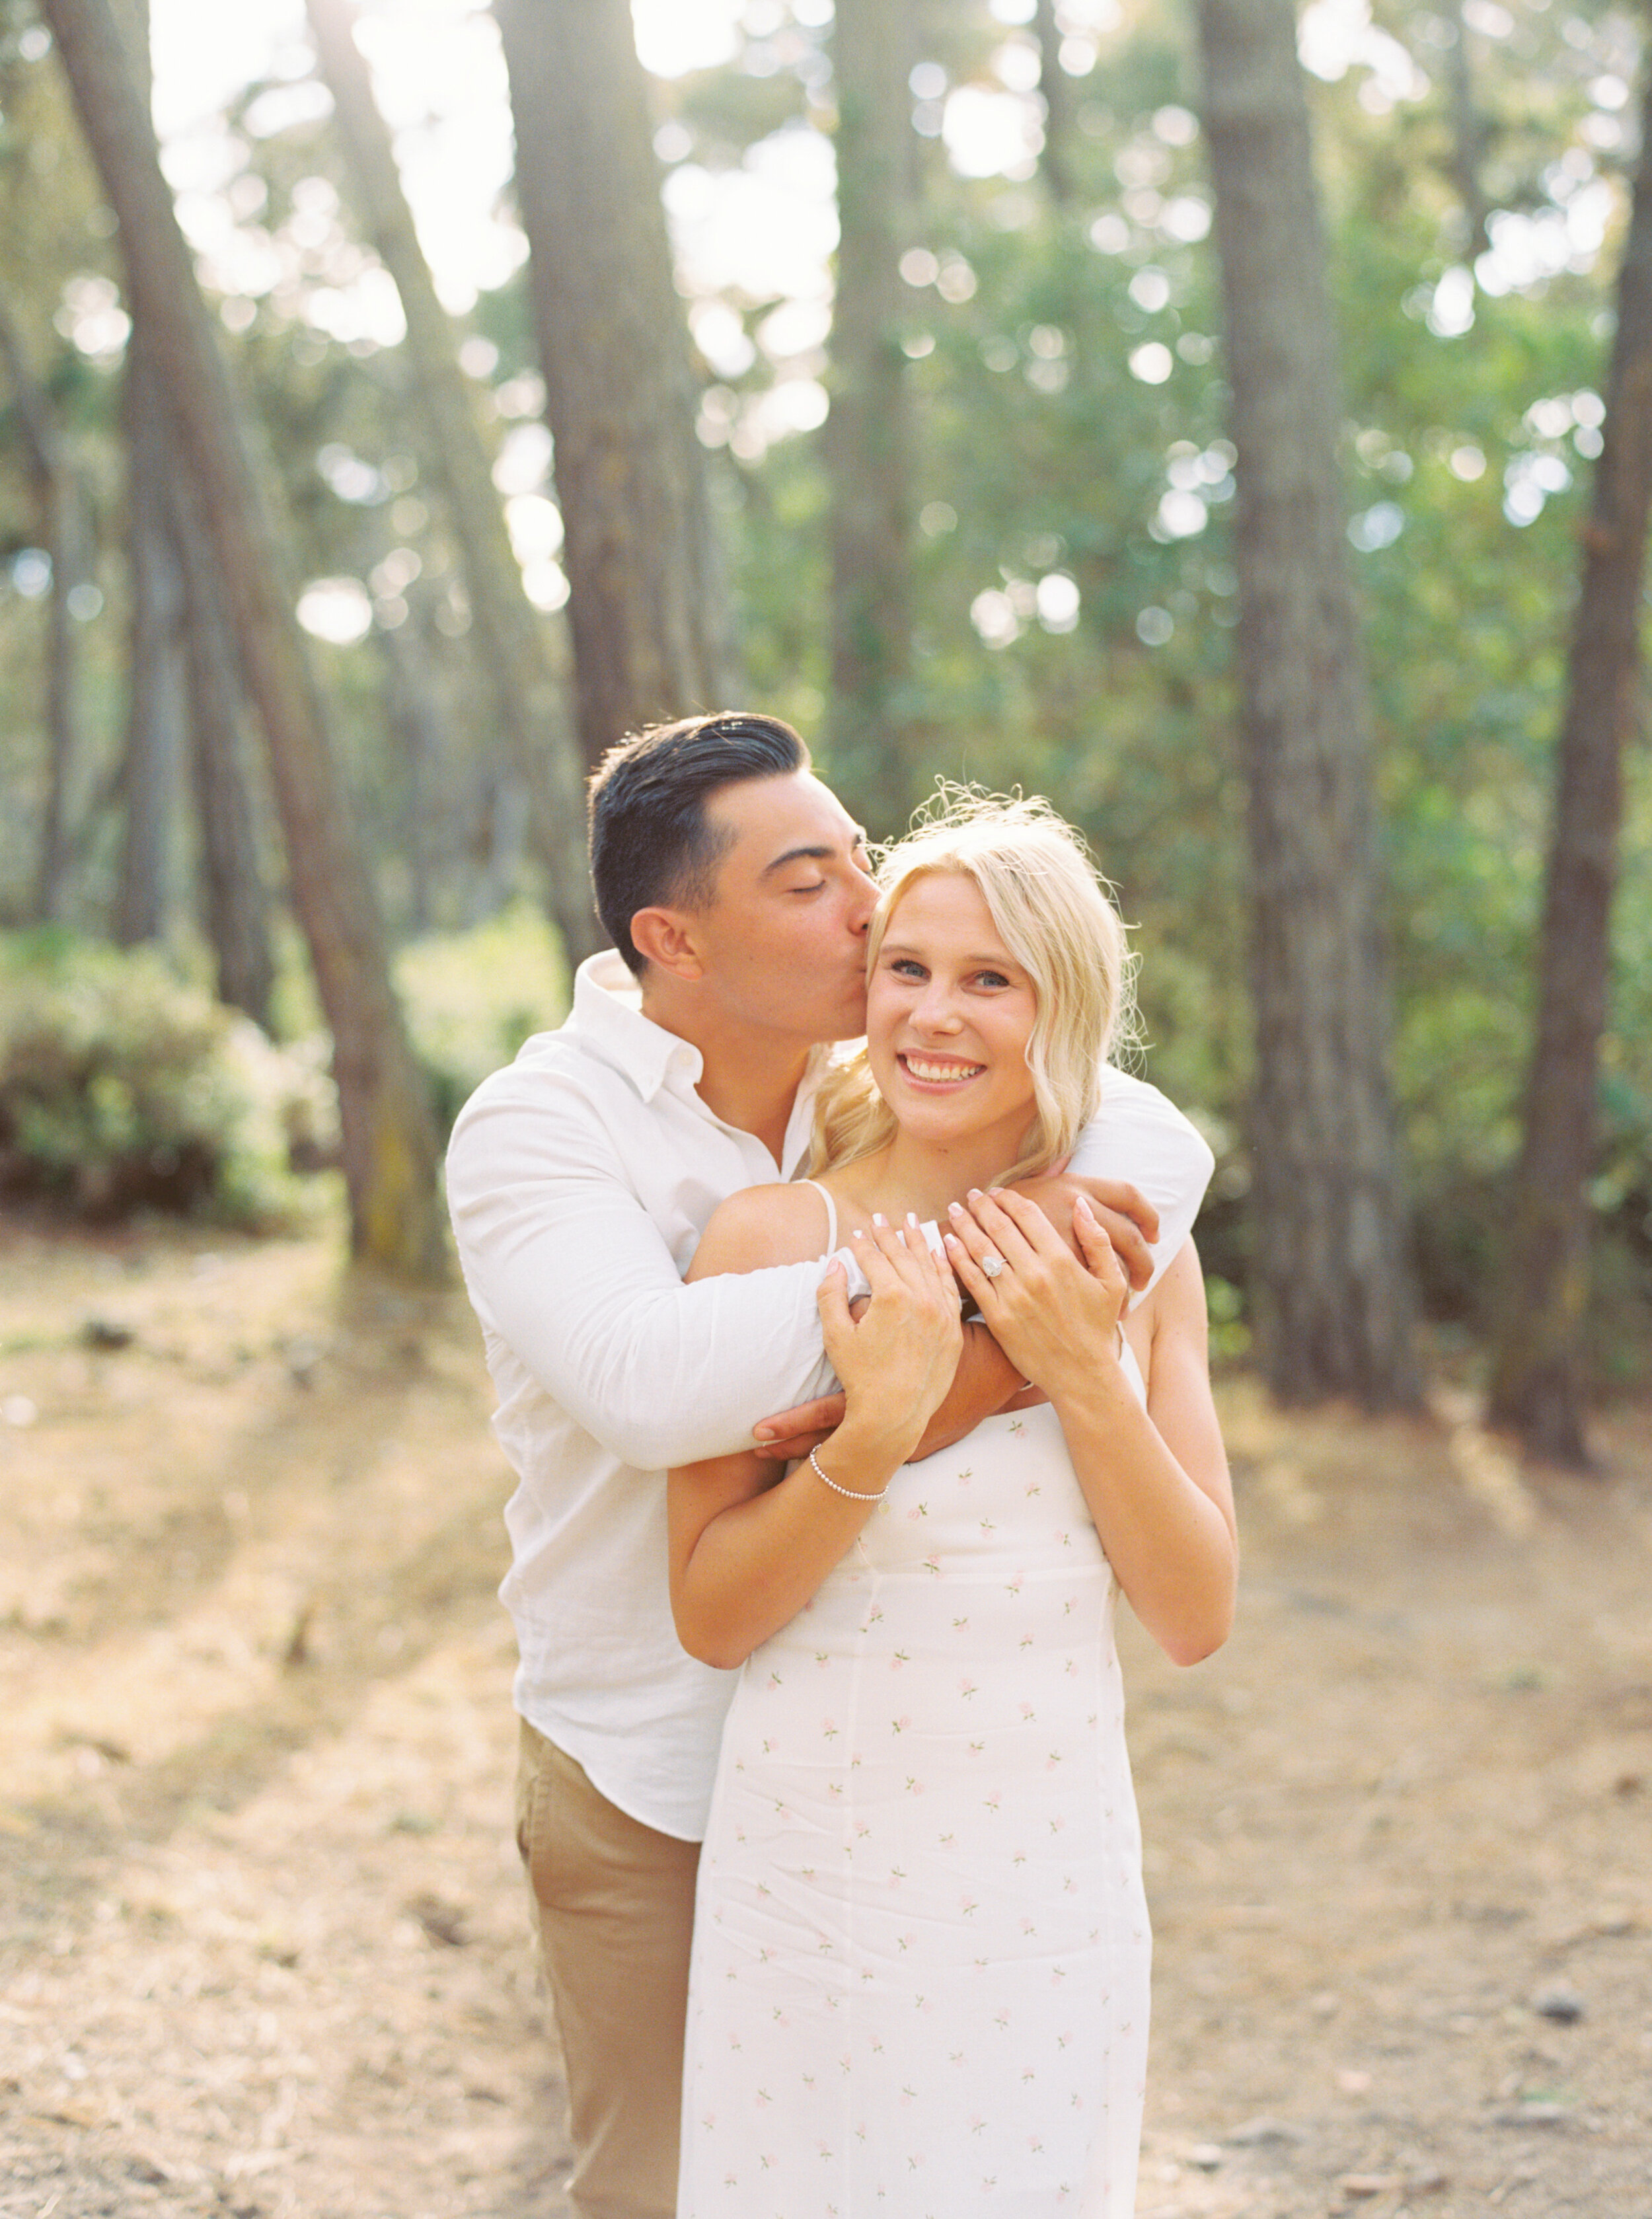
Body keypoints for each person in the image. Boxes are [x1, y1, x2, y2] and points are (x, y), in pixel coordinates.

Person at [445, 714, 1215, 2219]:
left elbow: (1156, 1147)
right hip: (659, 1760)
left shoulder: (874, 1076)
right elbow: (650, 1389)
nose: (866, 911)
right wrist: (945, 1356)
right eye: (809, 882)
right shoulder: (539, 1126)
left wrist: (1007, 1351)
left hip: (977, 1803)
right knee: (681, 2188)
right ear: (674, 934)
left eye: (861, 857)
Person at [669, 794, 1236, 2217]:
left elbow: (1190, 1613)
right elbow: (712, 1612)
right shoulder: (766, 1240)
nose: (932, 1012)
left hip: (1045, 1876)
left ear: (1066, 1009)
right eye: (907, 966)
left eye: (988, 978)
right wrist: (875, 1424)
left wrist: (1071, 1370)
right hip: (813, 1867)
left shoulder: (1135, 1256)